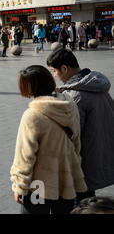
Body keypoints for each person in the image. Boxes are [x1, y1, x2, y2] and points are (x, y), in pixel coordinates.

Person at [11, 65, 87, 214]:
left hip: (39, 184)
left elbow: (25, 156)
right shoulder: (69, 104)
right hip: (67, 179)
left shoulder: (32, 115)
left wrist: (20, 186)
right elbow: (77, 142)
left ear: (30, 87)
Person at [46, 49, 114, 203]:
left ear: (65, 68)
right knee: (88, 201)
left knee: (80, 203)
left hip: (82, 164)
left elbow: (70, 137)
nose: (55, 75)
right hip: (98, 154)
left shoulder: (75, 96)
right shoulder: (97, 85)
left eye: (54, 71)